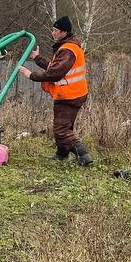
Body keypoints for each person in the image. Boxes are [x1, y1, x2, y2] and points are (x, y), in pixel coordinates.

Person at [18, 16, 93, 166]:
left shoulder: (67, 50)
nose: (52, 32)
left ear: (63, 32)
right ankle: (62, 154)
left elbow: (54, 73)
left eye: (55, 30)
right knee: (65, 127)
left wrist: (31, 75)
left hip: (69, 95)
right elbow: (55, 67)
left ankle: (83, 155)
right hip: (73, 93)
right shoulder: (67, 47)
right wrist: (37, 58)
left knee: (60, 130)